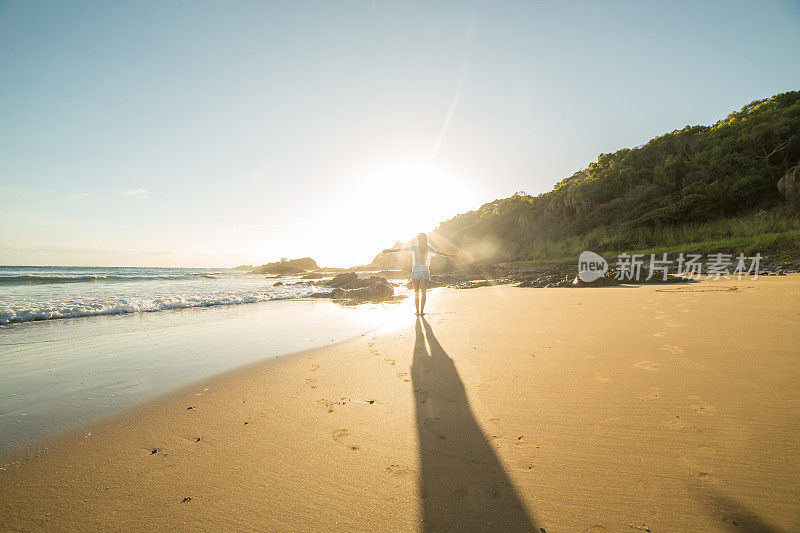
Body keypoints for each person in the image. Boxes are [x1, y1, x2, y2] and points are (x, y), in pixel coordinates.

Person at [382, 233, 454, 315]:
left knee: (416, 292)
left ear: (418, 239)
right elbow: (440, 253)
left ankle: (417, 311)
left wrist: (389, 251)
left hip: (416, 271)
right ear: (425, 239)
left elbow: (401, 250)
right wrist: (451, 256)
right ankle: (422, 312)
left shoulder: (414, 247)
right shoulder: (428, 247)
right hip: (425, 271)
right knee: (423, 293)